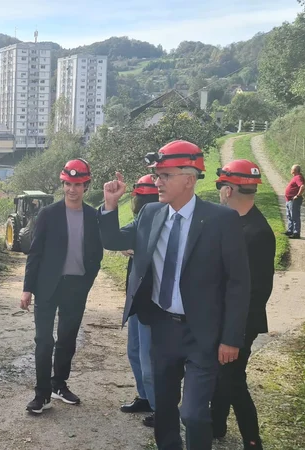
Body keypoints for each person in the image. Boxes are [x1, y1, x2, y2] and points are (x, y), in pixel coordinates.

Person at [98, 140, 251, 450]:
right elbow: (114, 239)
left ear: (189, 179)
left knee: (193, 414)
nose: (158, 182)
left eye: (165, 175)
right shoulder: (151, 214)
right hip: (163, 329)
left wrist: (231, 338)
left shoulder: (221, 221)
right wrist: (111, 205)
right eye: (157, 175)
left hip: (203, 333)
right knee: (165, 410)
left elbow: (239, 282)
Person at [20, 158, 104, 414]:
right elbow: (35, 254)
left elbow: (96, 255)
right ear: (63, 183)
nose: (72, 189)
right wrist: (27, 288)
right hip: (47, 287)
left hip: (75, 287)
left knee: (67, 339)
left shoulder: (93, 217)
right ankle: (41, 394)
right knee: (43, 340)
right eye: (68, 183)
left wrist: (86, 282)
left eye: (78, 184)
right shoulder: (48, 214)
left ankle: (59, 385)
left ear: (86, 186)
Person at [211, 160, 276, 449]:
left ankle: (252, 438)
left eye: (219, 188)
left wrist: (233, 335)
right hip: (224, 317)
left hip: (240, 322)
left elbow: (258, 291)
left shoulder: (256, 233)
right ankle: (216, 424)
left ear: (227, 190)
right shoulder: (235, 223)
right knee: (221, 375)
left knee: (233, 378)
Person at [120, 175, 159, 428]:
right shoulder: (141, 221)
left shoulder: (161, 221)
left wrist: (139, 249)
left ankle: (160, 408)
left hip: (150, 303)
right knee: (134, 352)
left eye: (139, 198)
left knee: (149, 360)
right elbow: (118, 236)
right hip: (135, 299)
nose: (136, 203)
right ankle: (145, 397)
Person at [284, 165, 305, 239]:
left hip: (294, 200)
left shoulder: (298, 177)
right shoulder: (295, 177)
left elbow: (302, 186)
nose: (291, 170)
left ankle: (296, 233)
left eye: (292, 169)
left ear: (295, 170)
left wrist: (298, 195)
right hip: (289, 200)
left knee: (295, 216)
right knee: (289, 216)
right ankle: (290, 230)